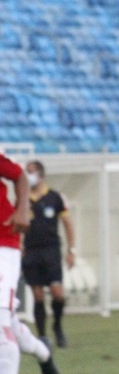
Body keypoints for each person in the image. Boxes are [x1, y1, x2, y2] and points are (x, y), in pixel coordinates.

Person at [22, 161, 75, 349]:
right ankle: (43, 336)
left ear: (40, 174)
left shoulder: (56, 197)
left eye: (31, 172)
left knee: (57, 293)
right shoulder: (23, 199)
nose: (27, 175)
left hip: (51, 251)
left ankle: (58, 327)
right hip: (31, 251)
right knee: (37, 295)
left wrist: (71, 250)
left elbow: (68, 224)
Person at [0, 153, 32, 372]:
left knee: (0, 329)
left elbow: (20, 176)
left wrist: (22, 210)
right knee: (9, 323)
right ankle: (44, 354)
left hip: (3, 243)